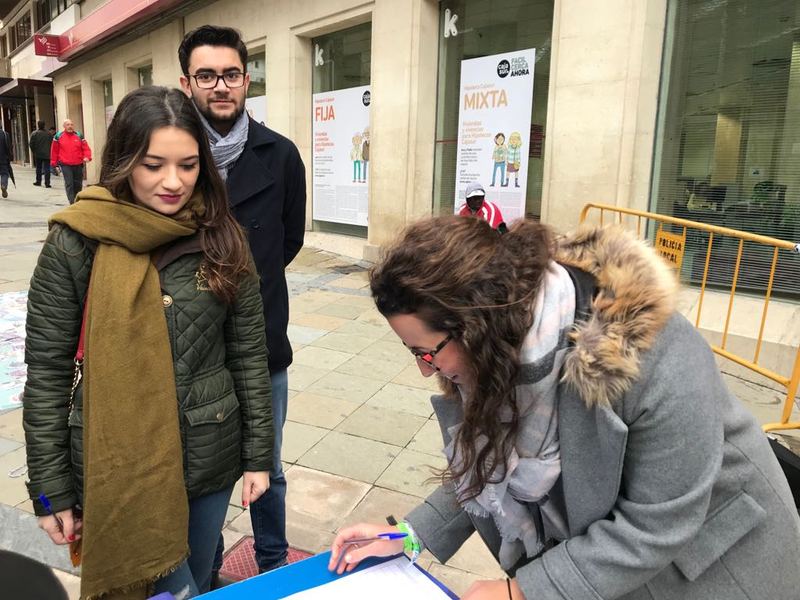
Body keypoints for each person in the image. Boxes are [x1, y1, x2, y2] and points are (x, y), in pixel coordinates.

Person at [329, 216, 800, 599]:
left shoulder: (651, 352)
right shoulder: (498, 345)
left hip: (714, 570)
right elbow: (493, 463)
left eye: (427, 351)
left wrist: (522, 591)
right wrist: (411, 534)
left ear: (476, 324)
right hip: (620, 568)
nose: (426, 371)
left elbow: (659, 522)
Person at [23, 86, 274, 599]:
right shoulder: (76, 240)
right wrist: (50, 492)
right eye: (154, 164)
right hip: (113, 461)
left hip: (207, 453)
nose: (173, 182)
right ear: (123, 159)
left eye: (187, 165)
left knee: (198, 579)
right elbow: (46, 373)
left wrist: (257, 457)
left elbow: (248, 355)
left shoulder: (222, 237)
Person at [178, 25, 306, 582]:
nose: (220, 86)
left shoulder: (280, 155)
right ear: (187, 84)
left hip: (263, 347)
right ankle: (203, 571)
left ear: (246, 79)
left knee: (267, 465)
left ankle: (273, 560)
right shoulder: (172, 159)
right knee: (199, 474)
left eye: (230, 74)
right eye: (206, 76)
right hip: (190, 351)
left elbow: (289, 239)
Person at [50, 118, 91, 204]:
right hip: (65, 164)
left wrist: (87, 156)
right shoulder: (58, 136)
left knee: (78, 183)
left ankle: (77, 199)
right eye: (68, 125)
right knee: (69, 183)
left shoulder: (79, 135)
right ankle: (72, 201)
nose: (70, 126)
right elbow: (54, 151)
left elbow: (86, 148)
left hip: (78, 164)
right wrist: (54, 163)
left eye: (71, 125)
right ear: (64, 126)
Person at [29, 120, 52, 188]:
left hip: (38, 154)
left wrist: (34, 151)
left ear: (38, 125)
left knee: (38, 168)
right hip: (47, 154)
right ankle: (47, 183)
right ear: (44, 125)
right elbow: (52, 143)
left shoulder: (34, 133)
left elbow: (31, 144)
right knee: (47, 168)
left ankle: (38, 181)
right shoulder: (49, 134)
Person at [0, 127, 11, 198]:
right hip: (3, 158)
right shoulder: (5, 134)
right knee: (4, 173)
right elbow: (9, 146)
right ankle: (3, 185)